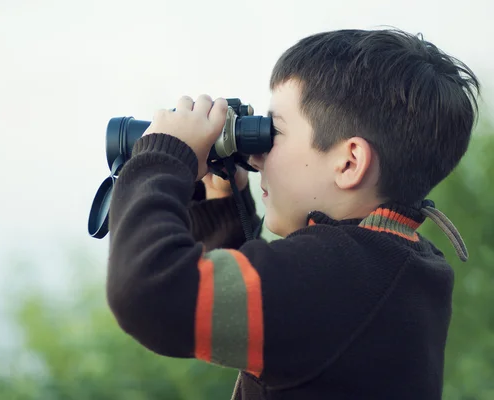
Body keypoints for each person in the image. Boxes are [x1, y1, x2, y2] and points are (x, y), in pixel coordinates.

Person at [104, 28, 480, 399]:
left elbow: (151, 294)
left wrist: (163, 158)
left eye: (275, 132)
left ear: (349, 162)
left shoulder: (335, 274)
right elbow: (266, 312)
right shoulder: (399, 266)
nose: (255, 155)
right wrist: (220, 202)